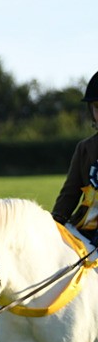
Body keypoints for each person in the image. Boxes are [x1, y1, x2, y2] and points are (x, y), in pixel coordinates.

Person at [51, 70, 98, 239]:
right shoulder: (84, 149)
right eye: (97, 107)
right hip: (86, 229)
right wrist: (53, 225)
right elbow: (69, 195)